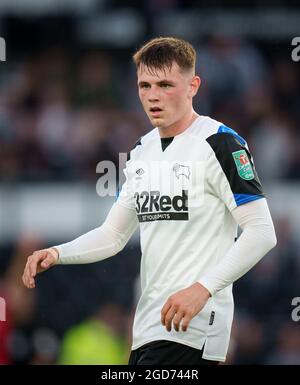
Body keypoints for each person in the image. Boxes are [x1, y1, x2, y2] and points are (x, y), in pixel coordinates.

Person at [22, 37, 277, 365]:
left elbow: (261, 232)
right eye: (145, 85)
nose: (153, 95)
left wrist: (203, 289)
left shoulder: (220, 143)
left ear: (193, 86)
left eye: (165, 84)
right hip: (148, 330)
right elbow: (113, 235)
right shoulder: (141, 152)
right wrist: (59, 253)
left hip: (194, 326)